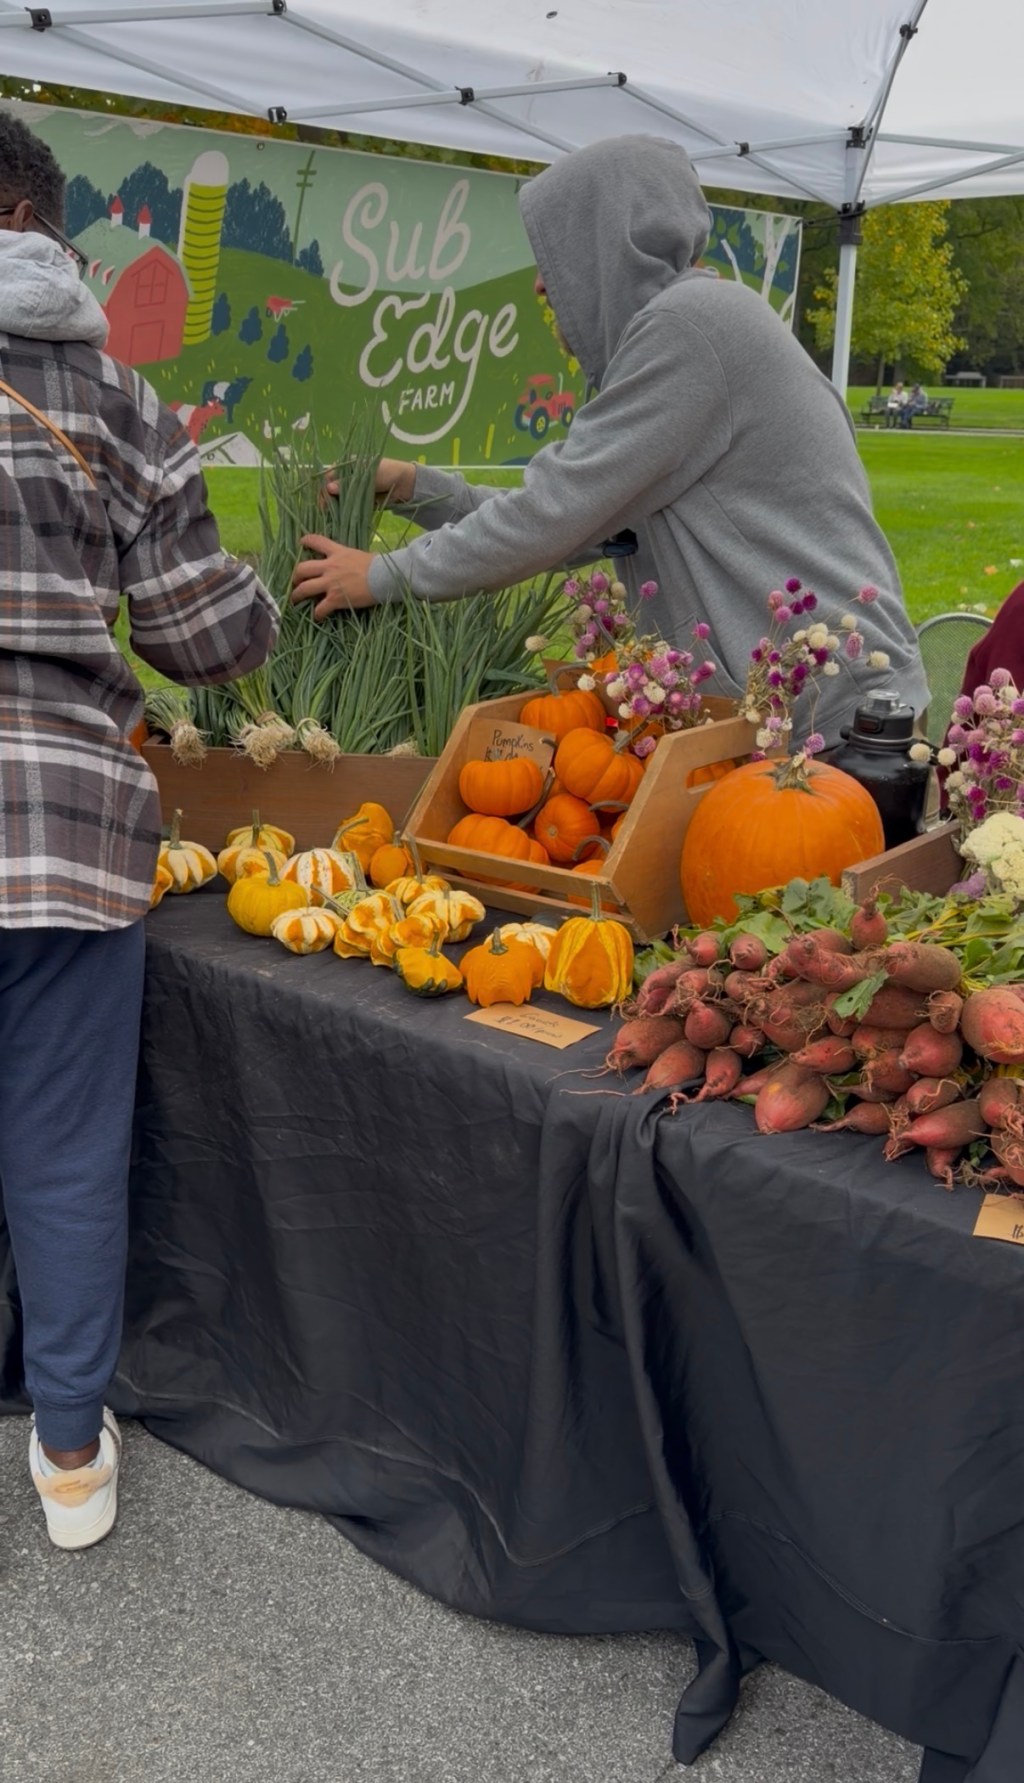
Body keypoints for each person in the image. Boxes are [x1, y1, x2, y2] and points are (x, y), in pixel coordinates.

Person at [0, 114, 278, 1549]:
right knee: (60, 1148)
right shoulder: (116, 397)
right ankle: (68, 1455)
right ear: (44, 223)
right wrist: (263, 600)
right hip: (62, 825)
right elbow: (202, 638)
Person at [292, 135, 928, 743]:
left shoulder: (690, 329)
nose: (540, 284)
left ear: (606, 251)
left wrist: (382, 576)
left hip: (834, 720)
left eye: (557, 258)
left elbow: (552, 515)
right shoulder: (694, 327)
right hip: (807, 712)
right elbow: (578, 522)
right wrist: (417, 488)